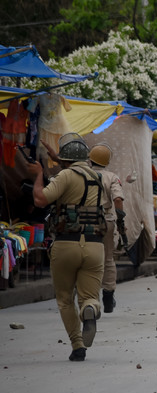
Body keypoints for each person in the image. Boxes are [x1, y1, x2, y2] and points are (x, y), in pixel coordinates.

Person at [26, 133, 107, 361]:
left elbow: (41, 199)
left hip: (66, 244)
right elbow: (70, 177)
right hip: (94, 246)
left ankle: (77, 345)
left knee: (64, 297)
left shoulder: (65, 175)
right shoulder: (96, 176)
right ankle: (89, 309)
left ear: (65, 160)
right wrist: (58, 160)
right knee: (89, 296)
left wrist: (39, 175)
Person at [88, 144, 126, 313]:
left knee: (88, 258)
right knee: (108, 258)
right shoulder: (112, 177)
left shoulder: (83, 174)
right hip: (107, 219)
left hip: (85, 220)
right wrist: (120, 221)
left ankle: (89, 297)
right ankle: (108, 297)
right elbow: (118, 199)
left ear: (90, 159)